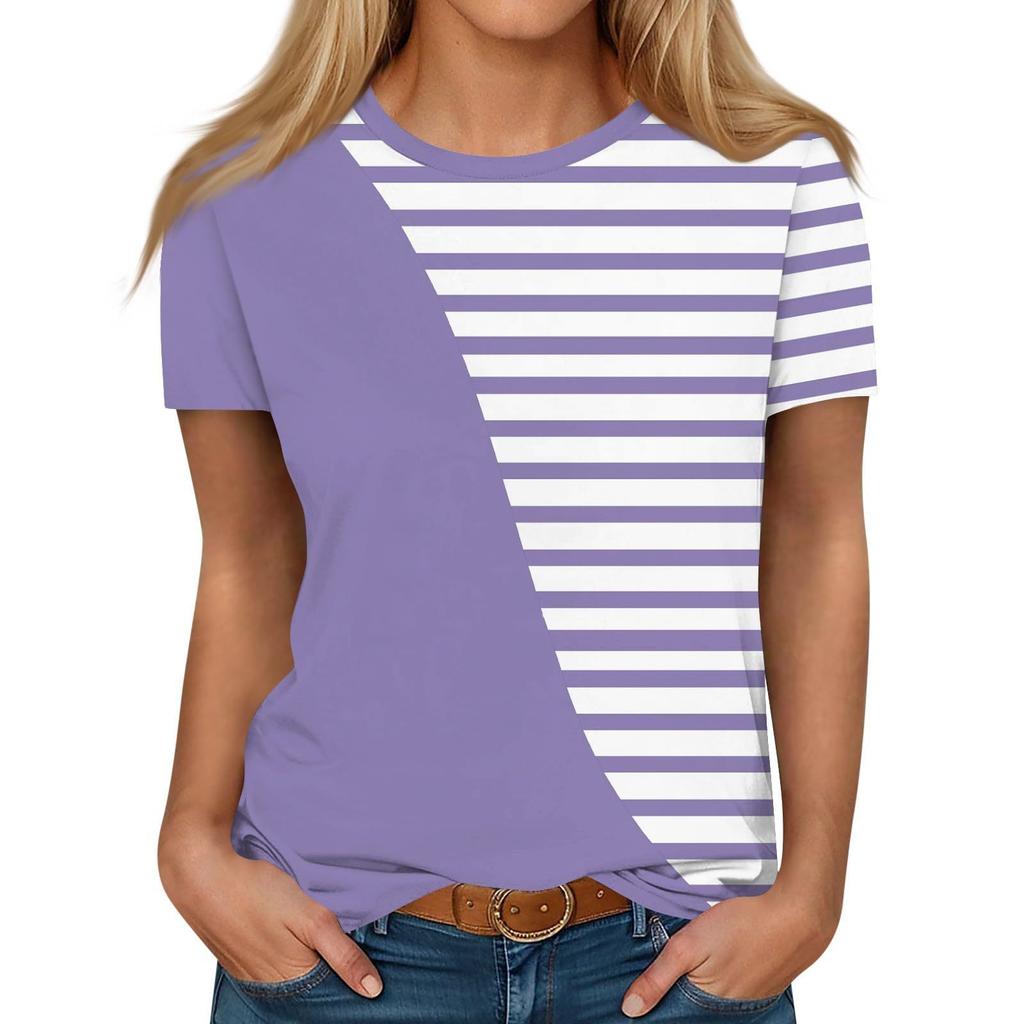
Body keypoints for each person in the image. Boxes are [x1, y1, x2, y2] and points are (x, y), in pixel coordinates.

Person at [144, 1, 874, 1020]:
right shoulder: (241, 197)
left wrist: (813, 889)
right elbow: (250, 555)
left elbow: (813, 535)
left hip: (679, 962)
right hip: (336, 959)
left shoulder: (777, 179)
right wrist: (189, 842)